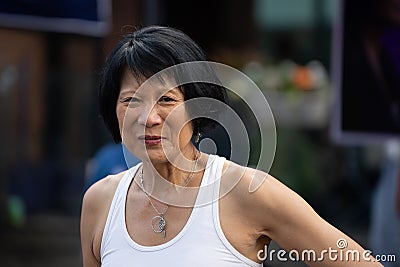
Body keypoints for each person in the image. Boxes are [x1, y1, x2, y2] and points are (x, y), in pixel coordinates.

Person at [80, 25, 382, 266]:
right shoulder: (100, 202)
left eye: (167, 99)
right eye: (131, 101)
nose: (149, 118)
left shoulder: (247, 190)